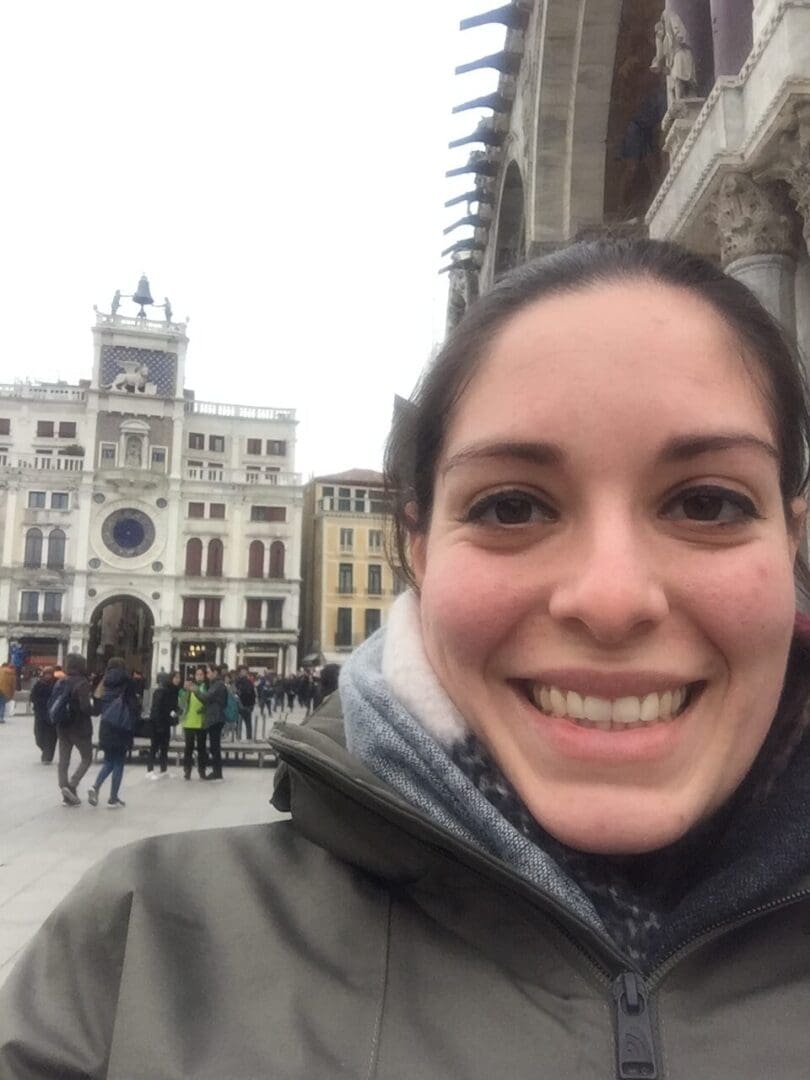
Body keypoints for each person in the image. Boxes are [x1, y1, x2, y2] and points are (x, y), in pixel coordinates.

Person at [2, 238, 810, 1076]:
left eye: (708, 501)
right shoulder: (135, 962)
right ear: (416, 548)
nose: (610, 600)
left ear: (794, 533)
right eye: (511, 506)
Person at [87, 658, 136, 809]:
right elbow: (134, 704)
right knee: (119, 762)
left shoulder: (103, 682)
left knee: (109, 761)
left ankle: (95, 787)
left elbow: (96, 704)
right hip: (121, 725)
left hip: (106, 725)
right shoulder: (127, 682)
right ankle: (113, 798)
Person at [54, 653, 93, 806]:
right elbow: (85, 707)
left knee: (63, 760)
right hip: (79, 727)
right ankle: (72, 785)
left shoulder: (61, 682)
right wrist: (94, 709)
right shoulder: (82, 683)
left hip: (62, 726)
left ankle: (65, 789)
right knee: (86, 758)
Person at [194, 664, 228, 780]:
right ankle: (216, 771)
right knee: (214, 746)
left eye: (209, 672)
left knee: (215, 746)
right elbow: (211, 702)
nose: (207, 675)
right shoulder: (215, 684)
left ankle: (217, 772)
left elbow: (207, 697)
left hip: (216, 718)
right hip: (214, 717)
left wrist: (196, 691)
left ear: (215, 673)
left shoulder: (217, 685)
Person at [146, 671, 180, 778]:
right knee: (154, 746)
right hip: (158, 723)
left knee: (165, 747)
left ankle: (163, 769)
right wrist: (158, 724)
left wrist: (177, 711)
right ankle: (150, 770)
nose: (178, 680)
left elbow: (171, 706)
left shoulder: (173, 691)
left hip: (166, 723)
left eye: (179, 678)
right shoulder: (161, 691)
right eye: (176, 677)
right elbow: (157, 708)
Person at [180, 666, 207, 781]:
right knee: (188, 748)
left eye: (201, 674)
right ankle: (187, 770)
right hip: (189, 722)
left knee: (202, 748)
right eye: (197, 674)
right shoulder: (189, 687)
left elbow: (207, 700)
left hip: (202, 722)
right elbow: (182, 703)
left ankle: (202, 770)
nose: (199, 676)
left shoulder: (206, 687)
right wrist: (185, 691)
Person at [30, 665, 57, 763]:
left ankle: (47, 756)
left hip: (51, 714)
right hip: (40, 713)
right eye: (46, 674)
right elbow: (32, 697)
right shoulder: (38, 684)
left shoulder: (56, 685)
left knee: (51, 737)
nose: (48, 676)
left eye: (50, 674)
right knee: (39, 736)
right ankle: (45, 750)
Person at [233, 665, 255, 740]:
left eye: (245, 671)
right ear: (239, 672)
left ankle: (249, 738)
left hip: (248, 706)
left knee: (248, 725)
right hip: (239, 707)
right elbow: (235, 693)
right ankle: (238, 738)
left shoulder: (249, 682)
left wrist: (252, 705)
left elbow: (253, 694)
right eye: (242, 671)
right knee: (239, 724)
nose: (244, 673)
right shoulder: (236, 682)